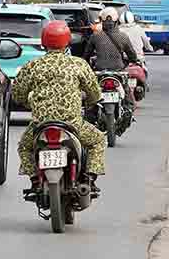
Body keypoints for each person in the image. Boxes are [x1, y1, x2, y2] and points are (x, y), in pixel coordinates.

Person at [13, 20, 107, 193]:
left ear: (44, 42)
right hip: (73, 125)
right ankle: (89, 179)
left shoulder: (33, 66)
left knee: (24, 147)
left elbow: (17, 94)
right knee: (98, 140)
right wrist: (90, 101)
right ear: (67, 41)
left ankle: (35, 180)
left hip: (40, 125)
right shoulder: (78, 64)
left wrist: (29, 103)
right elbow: (94, 93)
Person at [84, 8, 139, 106]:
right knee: (128, 98)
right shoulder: (123, 37)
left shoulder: (95, 36)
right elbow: (132, 55)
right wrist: (134, 61)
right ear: (117, 21)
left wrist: (87, 64)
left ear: (102, 21)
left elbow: (87, 54)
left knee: (90, 97)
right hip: (118, 70)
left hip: (100, 71)